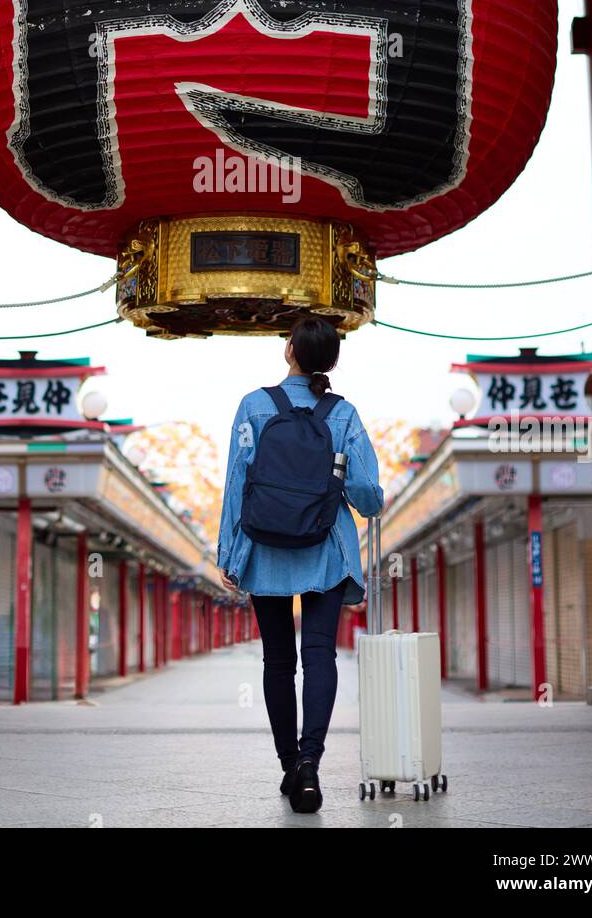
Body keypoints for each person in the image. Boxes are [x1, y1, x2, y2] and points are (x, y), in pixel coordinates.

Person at [216, 315, 384, 813]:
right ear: (329, 361)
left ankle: (290, 765)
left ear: (288, 350)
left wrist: (229, 551)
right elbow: (368, 497)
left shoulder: (254, 405)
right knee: (319, 657)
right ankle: (311, 762)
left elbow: (235, 483)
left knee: (277, 663)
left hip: (265, 549)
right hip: (325, 551)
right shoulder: (344, 414)